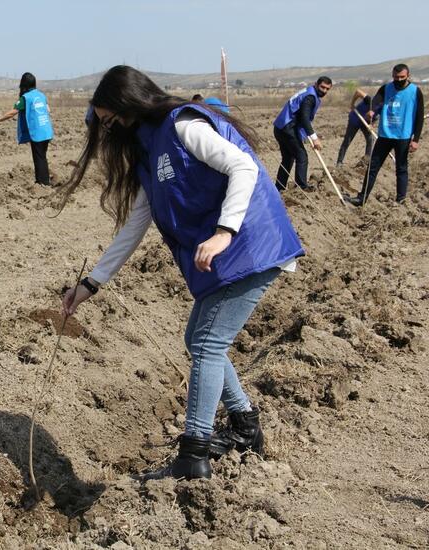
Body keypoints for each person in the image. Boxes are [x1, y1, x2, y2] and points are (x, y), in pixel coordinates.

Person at [58, 66, 304, 481]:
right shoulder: (147, 149)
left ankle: (193, 456)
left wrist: (225, 232)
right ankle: (245, 427)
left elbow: (243, 168)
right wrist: (90, 284)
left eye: (107, 121)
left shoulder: (183, 125)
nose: (107, 131)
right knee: (200, 340)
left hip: (252, 241)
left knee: (207, 343)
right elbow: (136, 223)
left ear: (126, 104)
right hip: (230, 250)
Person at [347, 64, 424, 206]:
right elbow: (376, 102)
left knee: (401, 168)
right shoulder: (386, 88)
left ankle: (400, 200)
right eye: (396, 77)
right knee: (372, 167)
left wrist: (416, 139)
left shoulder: (415, 91)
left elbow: (419, 117)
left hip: (403, 136)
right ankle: (361, 198)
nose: (398, 79)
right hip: (385, 135)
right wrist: (372, 111)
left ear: (408, 76)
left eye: (402, 77)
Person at [0, 72, 54, 185]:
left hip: (37, 133)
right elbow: (48, 110)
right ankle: (44, 181)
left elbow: (13, 112)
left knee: (38, 158)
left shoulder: (25, 98)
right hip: (46, 130)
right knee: (42, 156)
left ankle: (42, 183)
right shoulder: (41, 95)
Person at [272, 76, 333, 191]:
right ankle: (301, 187)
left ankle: (279, 187)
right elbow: (305, 118)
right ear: (316, 84)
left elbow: (300, 116)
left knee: (288, 158)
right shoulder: (310, 97)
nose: (324, 91)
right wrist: (314, 138)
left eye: (327, 89)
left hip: (280, 127)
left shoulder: (308, 92)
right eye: (322, 87)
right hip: (287, 128)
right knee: (302, 156)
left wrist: (303, 134)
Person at [336, 88, 377, 166]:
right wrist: (352, 104)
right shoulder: (370, 101)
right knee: (348, 140)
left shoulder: (382, 108)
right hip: (355, 119)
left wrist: (371, 125)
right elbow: (358, 92)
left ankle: (367, 160)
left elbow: (376, 117)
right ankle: (339, 162)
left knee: (370, 139)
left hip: (366, 122)